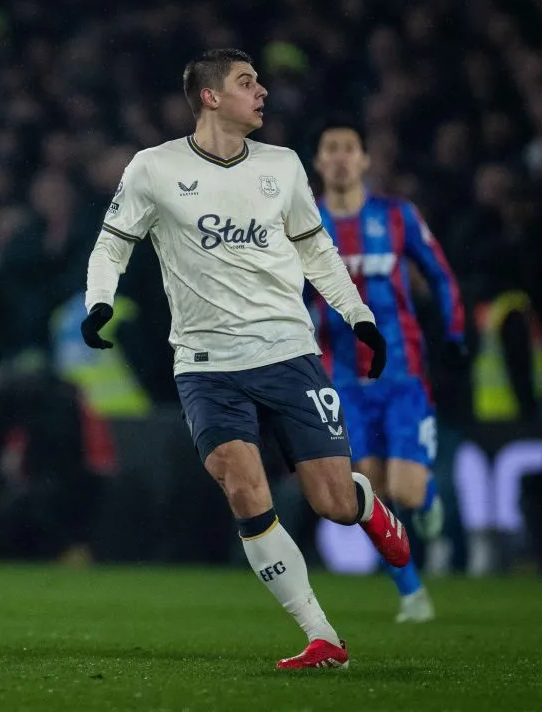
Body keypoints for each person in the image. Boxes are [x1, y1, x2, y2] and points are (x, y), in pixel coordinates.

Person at [82, 49, 409, 671]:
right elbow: (112, 244)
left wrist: (358, 316)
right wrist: (99, 302)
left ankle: (365, 503)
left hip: (287, 351)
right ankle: (322, 636)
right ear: (210, 97)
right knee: (243, 489)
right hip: (205, 364)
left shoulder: (282, 167)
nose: (262, 92)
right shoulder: (154, 168)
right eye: (246, 82)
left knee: (333, 503)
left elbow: (316, 251)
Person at [311, 117, 467, 622]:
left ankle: (427, 497)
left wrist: (456, 333)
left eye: (348, 148)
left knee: (405, 491)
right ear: (318, 162)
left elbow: (440, 274)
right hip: (343, 382)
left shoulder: (397, 216)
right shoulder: (304, 224)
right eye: (331, 148)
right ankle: (412, 593)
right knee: (368, 492)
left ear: (364, 161)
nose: (340, 157)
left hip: (402, 375)